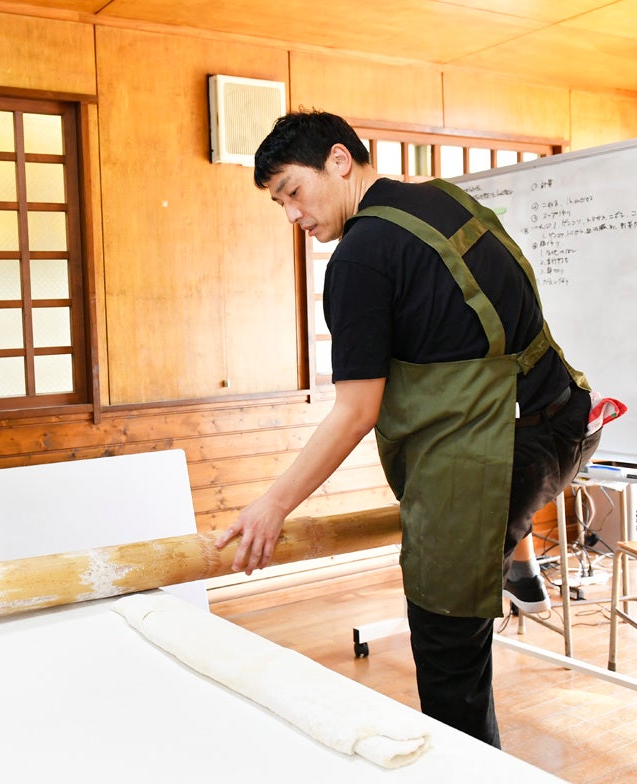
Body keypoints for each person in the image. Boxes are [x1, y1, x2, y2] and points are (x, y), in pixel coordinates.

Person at [217, 110, 602, 748]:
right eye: (279, 203)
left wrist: (272, 506)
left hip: (497, 455)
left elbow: (356, 410)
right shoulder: (442, 198)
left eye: (293, 191)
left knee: (447, 651)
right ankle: (512, 563)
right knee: (476, 569)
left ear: (339, 161)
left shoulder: (359, 257)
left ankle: (467, 763)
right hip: (566, 421)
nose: (292, 215)